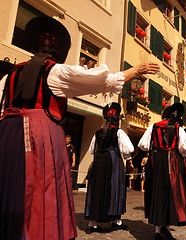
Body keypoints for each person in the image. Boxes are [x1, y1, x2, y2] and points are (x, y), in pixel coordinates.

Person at [0, 16, 159, 240]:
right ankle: (39, 232)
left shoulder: (10, 74)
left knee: (9, 186)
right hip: (40, 134)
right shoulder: (54, 71)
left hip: (7, 134)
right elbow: (103, 81)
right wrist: (137, 70)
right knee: (41, 187)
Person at [138, 103, 186, 240]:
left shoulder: (153, 126)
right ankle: (166, 228)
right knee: (171, 192)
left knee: (156, 192)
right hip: (171, 161)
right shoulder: (178, 128)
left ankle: (157, 230)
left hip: (156, 161)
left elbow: (143, 145)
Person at [85, 102, 133, 233]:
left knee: (97, 189)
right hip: (113, 163)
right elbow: (128, 149)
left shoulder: (98, 133)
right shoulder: (119, 132)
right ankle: (116, 222)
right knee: (114, 189)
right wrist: (129, 161)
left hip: (99, 162)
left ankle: (92, 224)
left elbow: (91, 150)